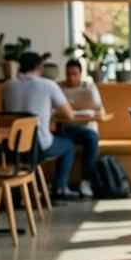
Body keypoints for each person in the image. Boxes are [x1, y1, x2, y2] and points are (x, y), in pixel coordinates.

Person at [3, 51, 80, 201]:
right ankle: (59, 188)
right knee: (69, 145)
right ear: (40, 67)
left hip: (12, 147)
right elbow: (69, 115)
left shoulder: (8, 86)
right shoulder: (48, 85)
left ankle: (21, 193)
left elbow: (6, 113)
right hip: (38, 146)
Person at [58, 58, 103, 197]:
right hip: (65, 127)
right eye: (68, 74)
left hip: (86, 128)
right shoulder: (58, 87)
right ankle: (60, 186)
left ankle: (86, 182)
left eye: (74, 74)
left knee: (92, 138)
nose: (71, 78)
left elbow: (100, 111)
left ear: (81, 73)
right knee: (65, 143)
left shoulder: (89, 87)